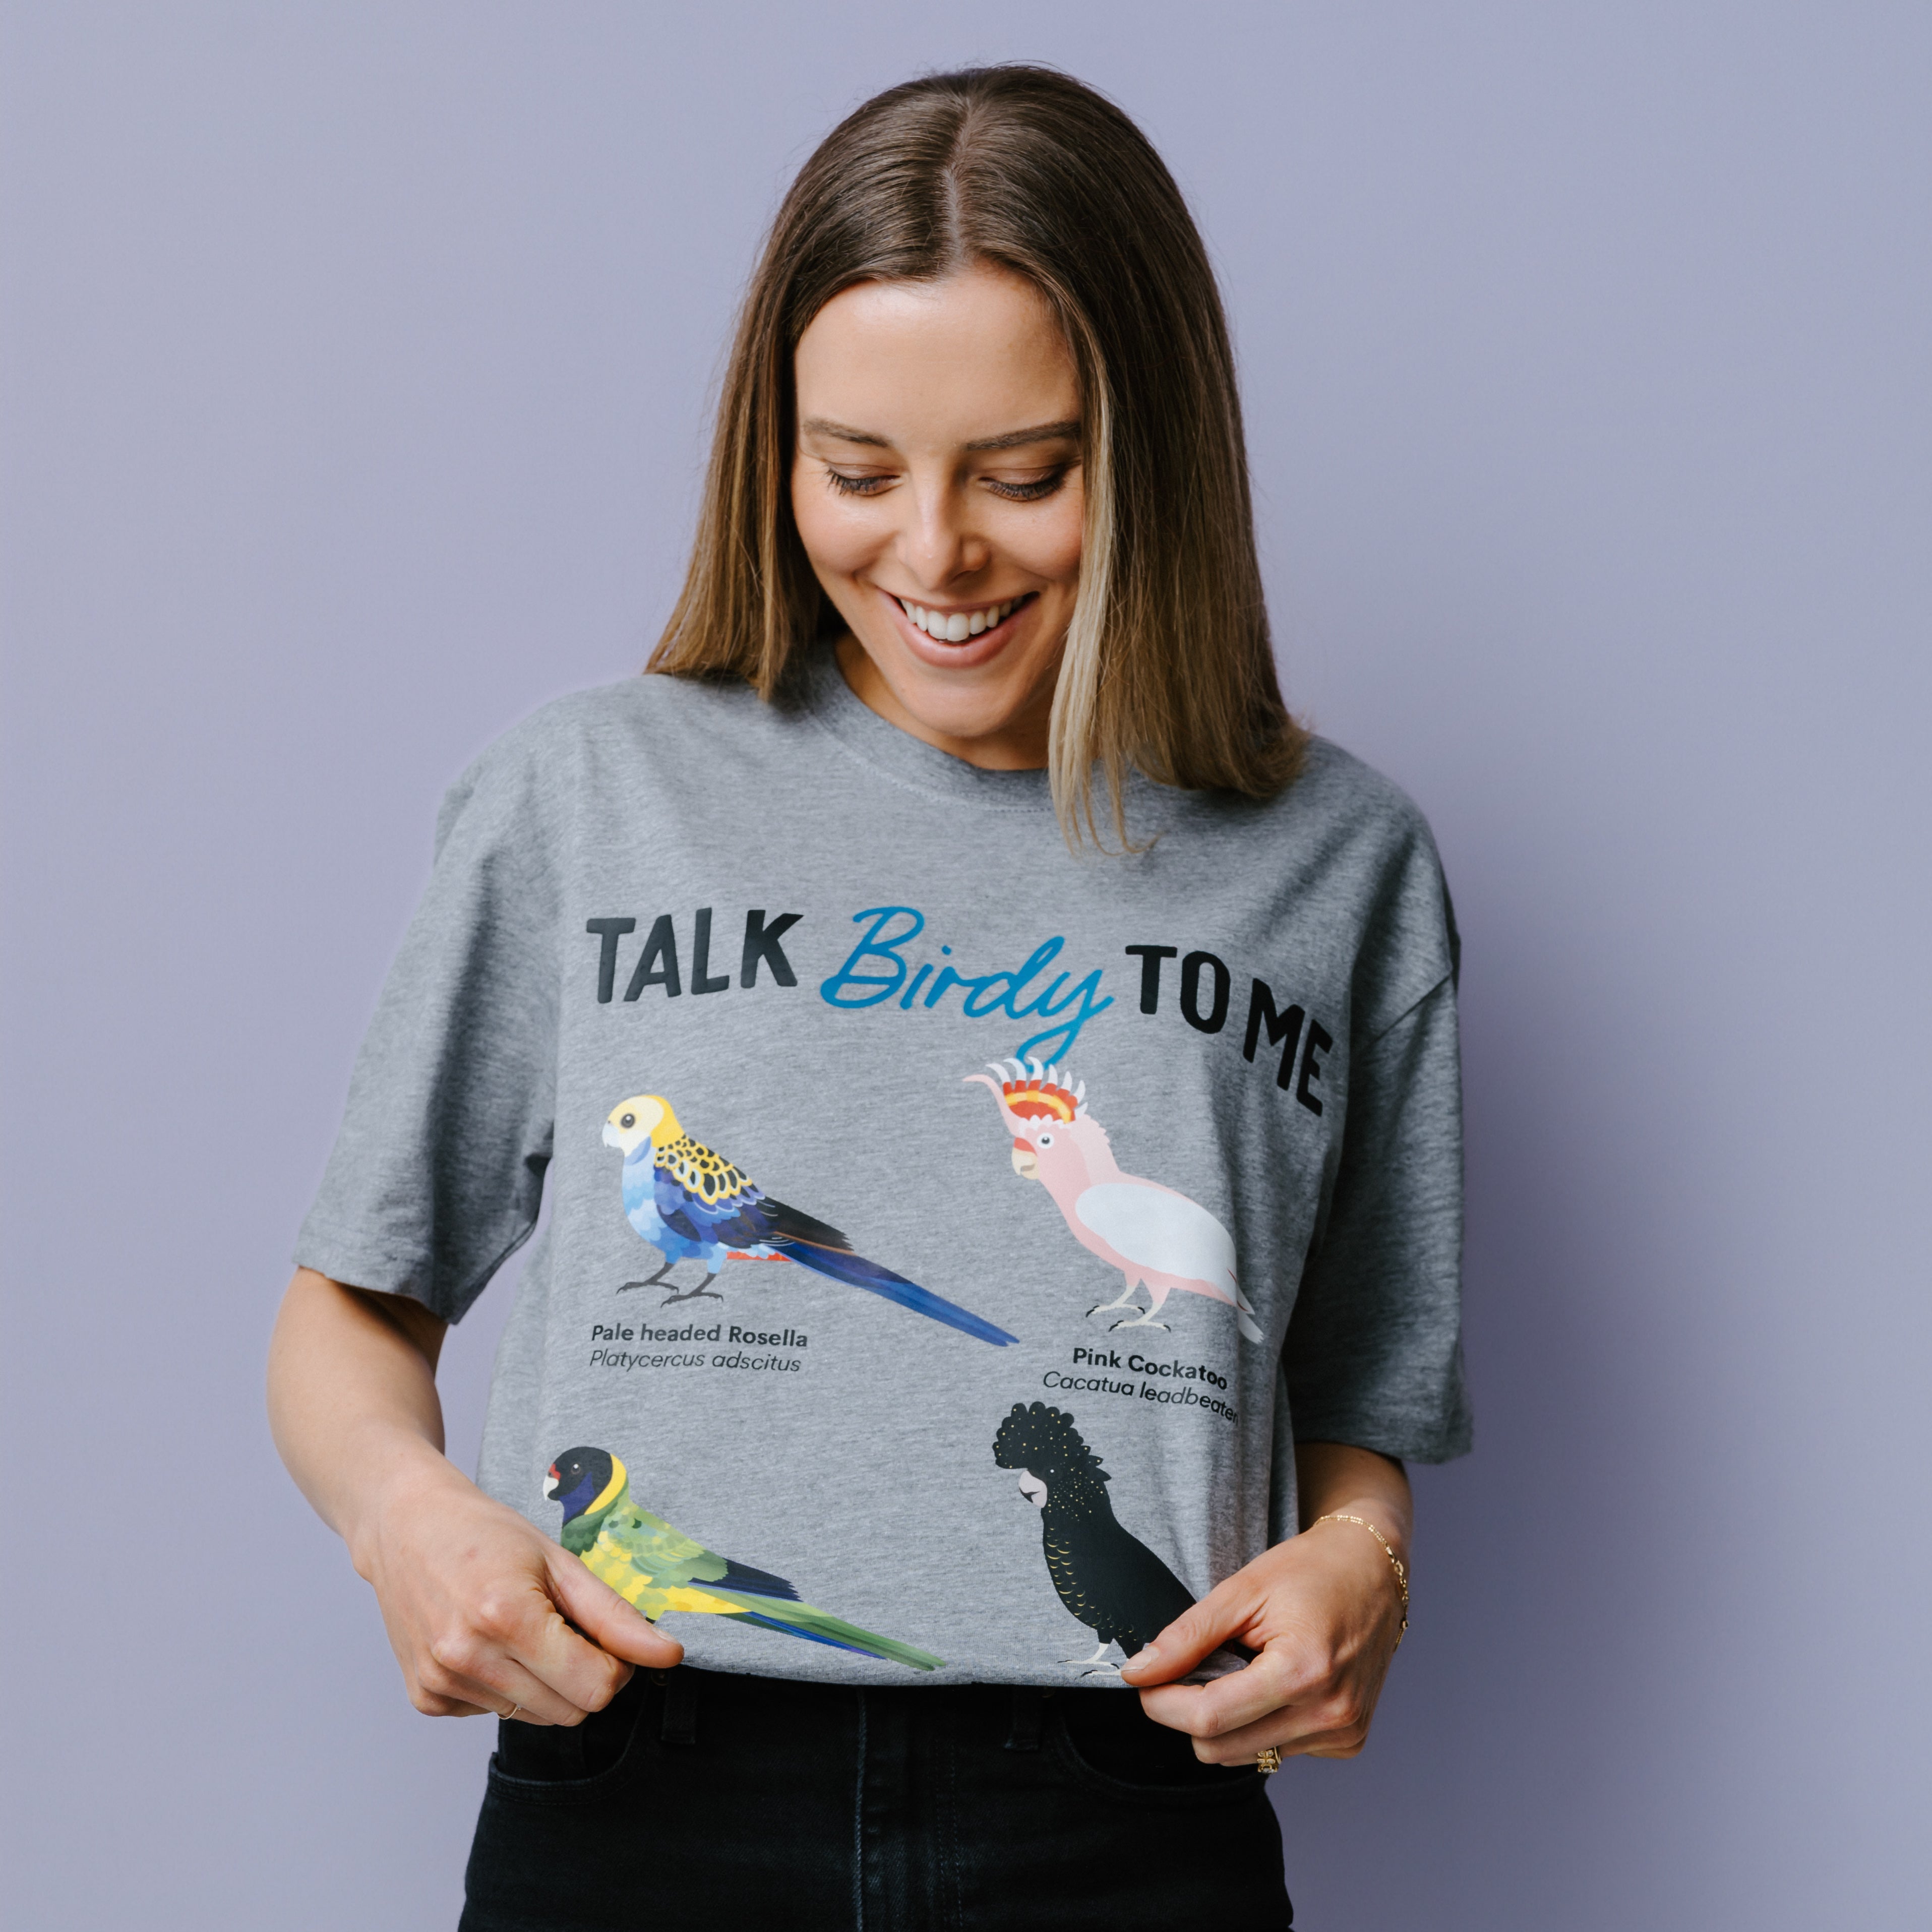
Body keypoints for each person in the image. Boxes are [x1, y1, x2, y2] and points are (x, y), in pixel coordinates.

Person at [268, 64, 1469, 1930]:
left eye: (1025, 473)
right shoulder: (587, 797)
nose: (933, 556)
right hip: (644, 1784)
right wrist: (407, 1523)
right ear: (778, 451)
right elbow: (343, 1316)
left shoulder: (1337, 861)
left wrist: (1361, 1573)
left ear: (1155, 452)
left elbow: (1359, 1406)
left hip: (1127, 1805)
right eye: (857, 470)